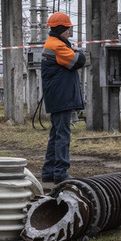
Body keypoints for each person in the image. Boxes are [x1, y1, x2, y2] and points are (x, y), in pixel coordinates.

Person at [40, 12, 86, 183]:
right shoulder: (58, 46)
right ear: (62, 29)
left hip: (57, 95)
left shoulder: (53, 43)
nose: (69, 32)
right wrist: (78, 51)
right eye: (68, 29)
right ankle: (60, 172)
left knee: (56, 134)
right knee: (62, 135)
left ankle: (49, 172)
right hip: (61, 96)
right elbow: (78, 61)